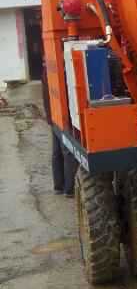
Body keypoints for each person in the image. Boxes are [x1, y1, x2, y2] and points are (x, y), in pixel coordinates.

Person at [42, 62, 78, 197]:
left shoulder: (47, 69)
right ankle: (69, 189)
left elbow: (46, 96)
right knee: (68, 152)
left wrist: (49, 117)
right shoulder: (60, 70)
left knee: (57, 152)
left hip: (54, 115)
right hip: (62, 117)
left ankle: (59, 186)